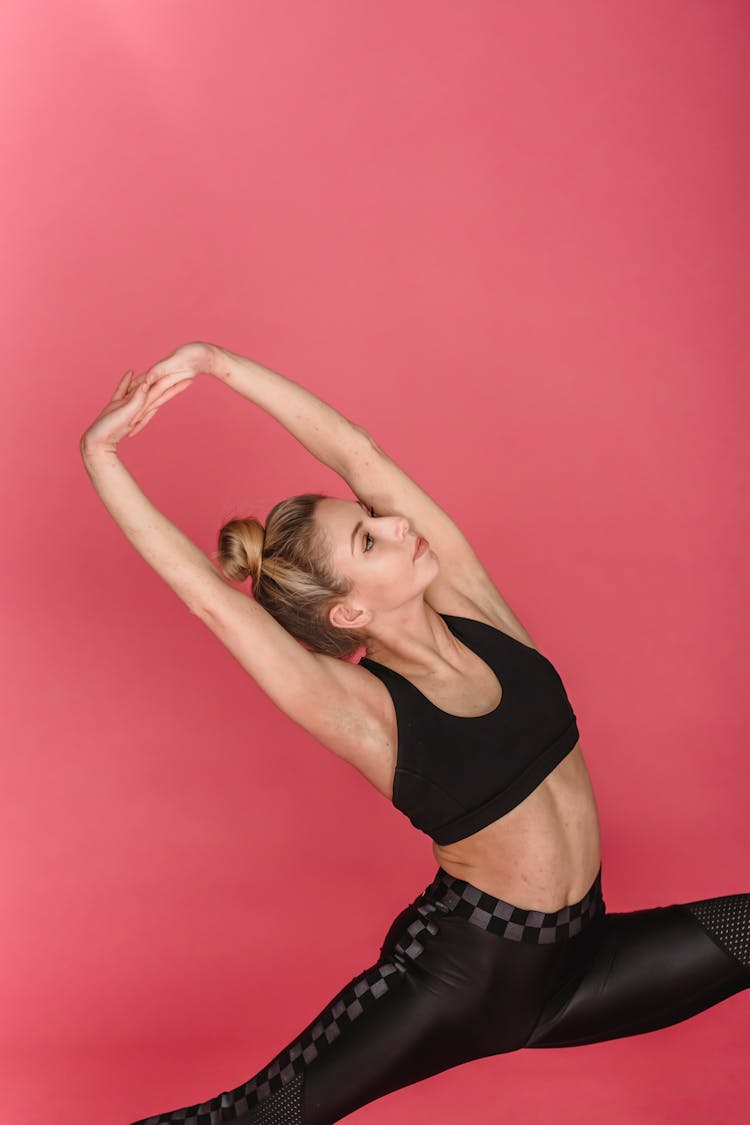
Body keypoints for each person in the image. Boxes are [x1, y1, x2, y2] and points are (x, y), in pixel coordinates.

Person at [80, 342, 750, 1125]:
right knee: (253, 1118)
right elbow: (209, 599)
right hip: (460, 979)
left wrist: (218, 364)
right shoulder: (363, 711)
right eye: (370, 542)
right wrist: (100, 452)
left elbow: (358, 452)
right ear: (349, 614)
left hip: (586, 959)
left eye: (374, 521)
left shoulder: (474, 603)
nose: (397, 523)